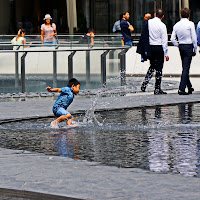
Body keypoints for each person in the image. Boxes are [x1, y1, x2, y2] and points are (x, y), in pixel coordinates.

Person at [141, 9, 169, 95]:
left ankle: (144, 84)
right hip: (159, 47)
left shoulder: (149, 23)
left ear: (154, 14)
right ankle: (157, 88)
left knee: (152, 66)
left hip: (150, 47)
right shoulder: (162, 25)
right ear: (162, 17)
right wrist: (166, 53)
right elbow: (164, 40)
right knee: (159, 68)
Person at [171, 8, 197, 95]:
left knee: (185, 67)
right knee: (186, 68)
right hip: (188, 46)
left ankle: (189, 87)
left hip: (181, 46)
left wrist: (178, 44)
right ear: (189, 15)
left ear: (180, 15)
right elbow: (194, 38)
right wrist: (195, 48)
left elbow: (172, 39)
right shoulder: (190, 24)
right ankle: (181, 89)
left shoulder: (176, 25)